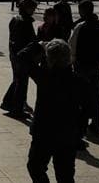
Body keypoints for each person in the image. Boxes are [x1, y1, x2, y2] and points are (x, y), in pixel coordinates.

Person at [19, 39, 85, 182]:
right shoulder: (78, 80)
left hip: (44, 133)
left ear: (50, 59)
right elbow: (89, 108)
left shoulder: (45, 76)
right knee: (65, 175)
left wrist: (38, 44)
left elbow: (22, 57)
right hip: (68, 134)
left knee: (35, 167)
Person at [69, 0, 99, 137]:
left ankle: (80, 124)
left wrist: (73, 61)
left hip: (81, 66)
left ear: (82, 11)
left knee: (81, 95)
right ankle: (96, 123)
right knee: (96, 94)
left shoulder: (80, 27)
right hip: (97, 66)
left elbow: (72, 46)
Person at [1, 0, 38, 119]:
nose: (33, 11)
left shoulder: (15, 19)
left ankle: (8, 103)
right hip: (23, 55)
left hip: (15, 54)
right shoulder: (25, 22)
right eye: (32, 8)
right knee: (21, 82)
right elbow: (30, 41)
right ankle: (16, 109)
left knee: (18, 80)